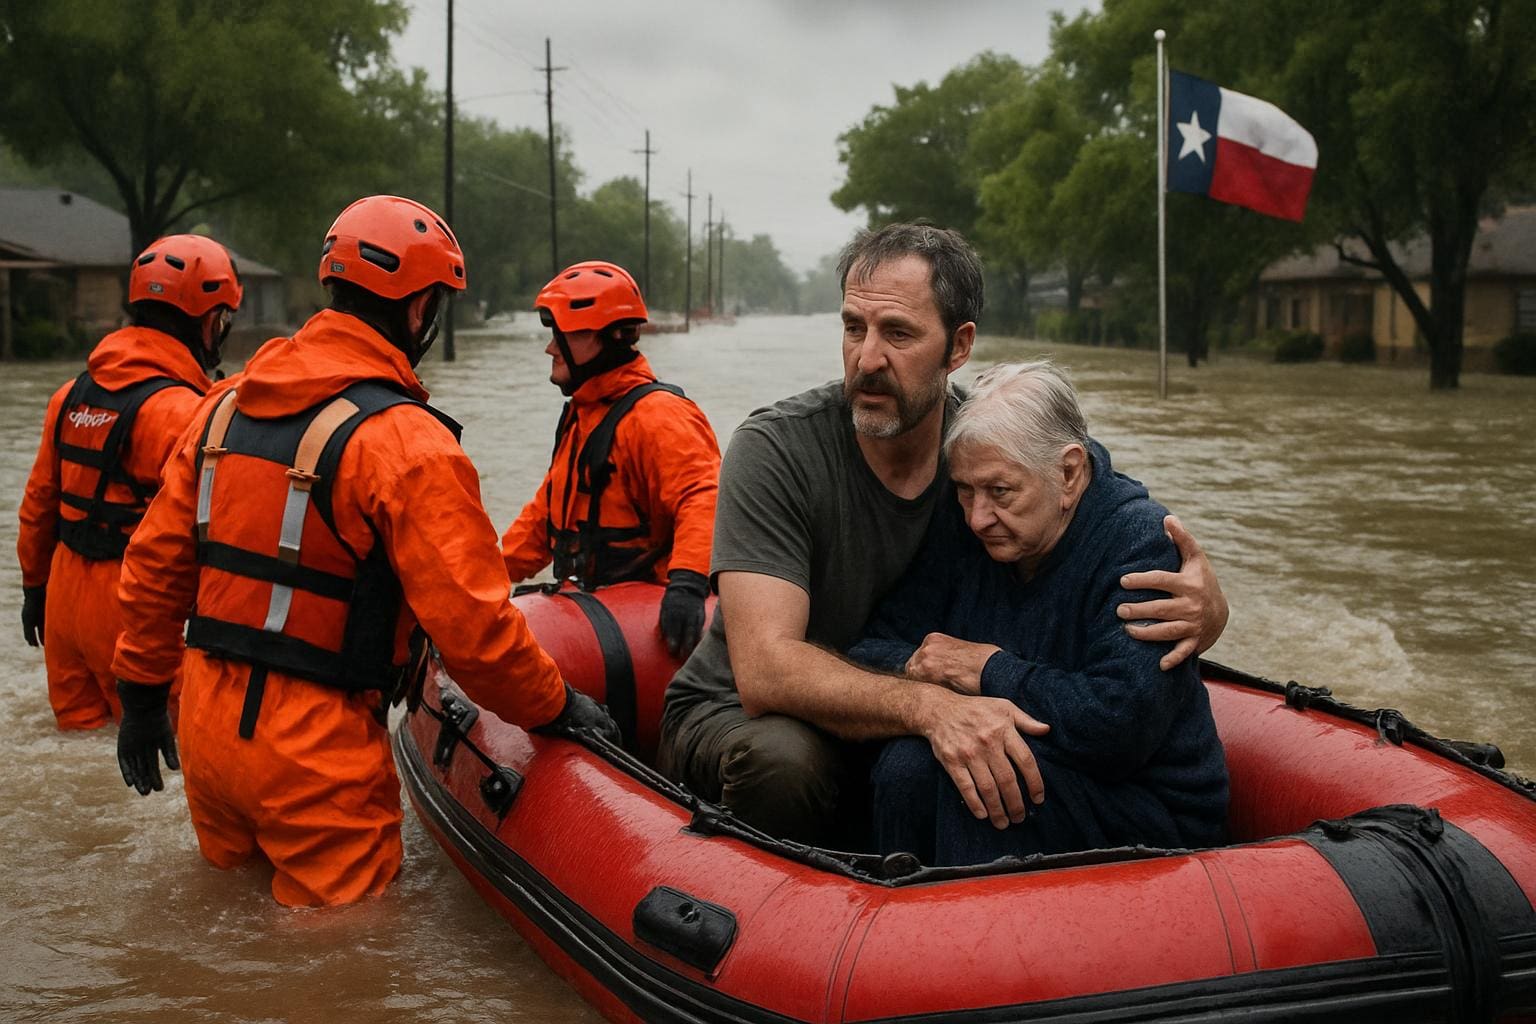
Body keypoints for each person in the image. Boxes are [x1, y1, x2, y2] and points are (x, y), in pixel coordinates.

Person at [111, 195, 619, 908]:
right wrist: (556, 705)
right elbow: (474, 632)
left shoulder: (222, 405)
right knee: (340, 964)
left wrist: (138, 697)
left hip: (203, 727)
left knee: (226, 935)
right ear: (418, 312)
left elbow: (154, 566)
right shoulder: (409, 443)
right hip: (314, 749)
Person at [658, 222, 1228, 846]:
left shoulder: (983, 445)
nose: (866, 359)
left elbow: (1088, 482)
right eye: (853, 327)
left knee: (930, 770)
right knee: (794, 765)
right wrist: (936, 702)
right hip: (758, 712)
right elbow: (767, 672)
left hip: (911, 711)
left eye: (898, 333)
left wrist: (1212, 603)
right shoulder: (775, 449)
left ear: (958, 347)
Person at [848, 362, 1229, 865]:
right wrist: (929, 687)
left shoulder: (1140, 544)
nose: (978, 516)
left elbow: (1117, 726)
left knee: (973, 778)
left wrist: (988, 671)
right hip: (1047, 771)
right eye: (965, 490)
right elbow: (871, 648)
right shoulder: (966, 524)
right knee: (910, 765)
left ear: (1068, 473)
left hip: (1146, 810)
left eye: (1000, 492)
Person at [17, 234, 241, 730]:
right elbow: (206, 539)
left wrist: (34, 587)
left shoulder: (68, 396)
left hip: (61, 605)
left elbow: (38, 505)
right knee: (163, 763)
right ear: (208, 321)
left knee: (79, 760)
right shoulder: (187, 415)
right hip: (131, 611)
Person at [501, 260, 720, 659]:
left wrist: (687, 583)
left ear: (606, 338)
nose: (550, 348)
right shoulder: (582, 416)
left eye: (561, 335)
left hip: (641, 618)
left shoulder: (658, 416)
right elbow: (544, 519)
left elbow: (703, 497)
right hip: (589, 607)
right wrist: (487, 579)